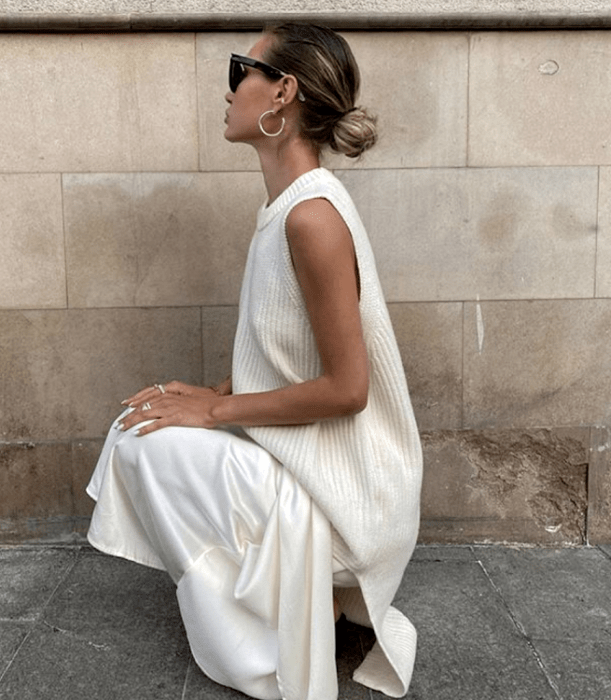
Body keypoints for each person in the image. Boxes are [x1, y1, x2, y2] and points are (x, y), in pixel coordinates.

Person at [86, 22, 423, 700]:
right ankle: (287, 596)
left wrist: (215, 410)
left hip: (348, 499)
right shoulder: (287, 207)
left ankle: (289, 614)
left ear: (282, 92)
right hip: (316, 472)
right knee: (142, 421)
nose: (229, 85)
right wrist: (209, 391)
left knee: (144, 445)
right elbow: (289, 357)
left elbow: (348, 388)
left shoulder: (311, 217)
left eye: (242, 68)